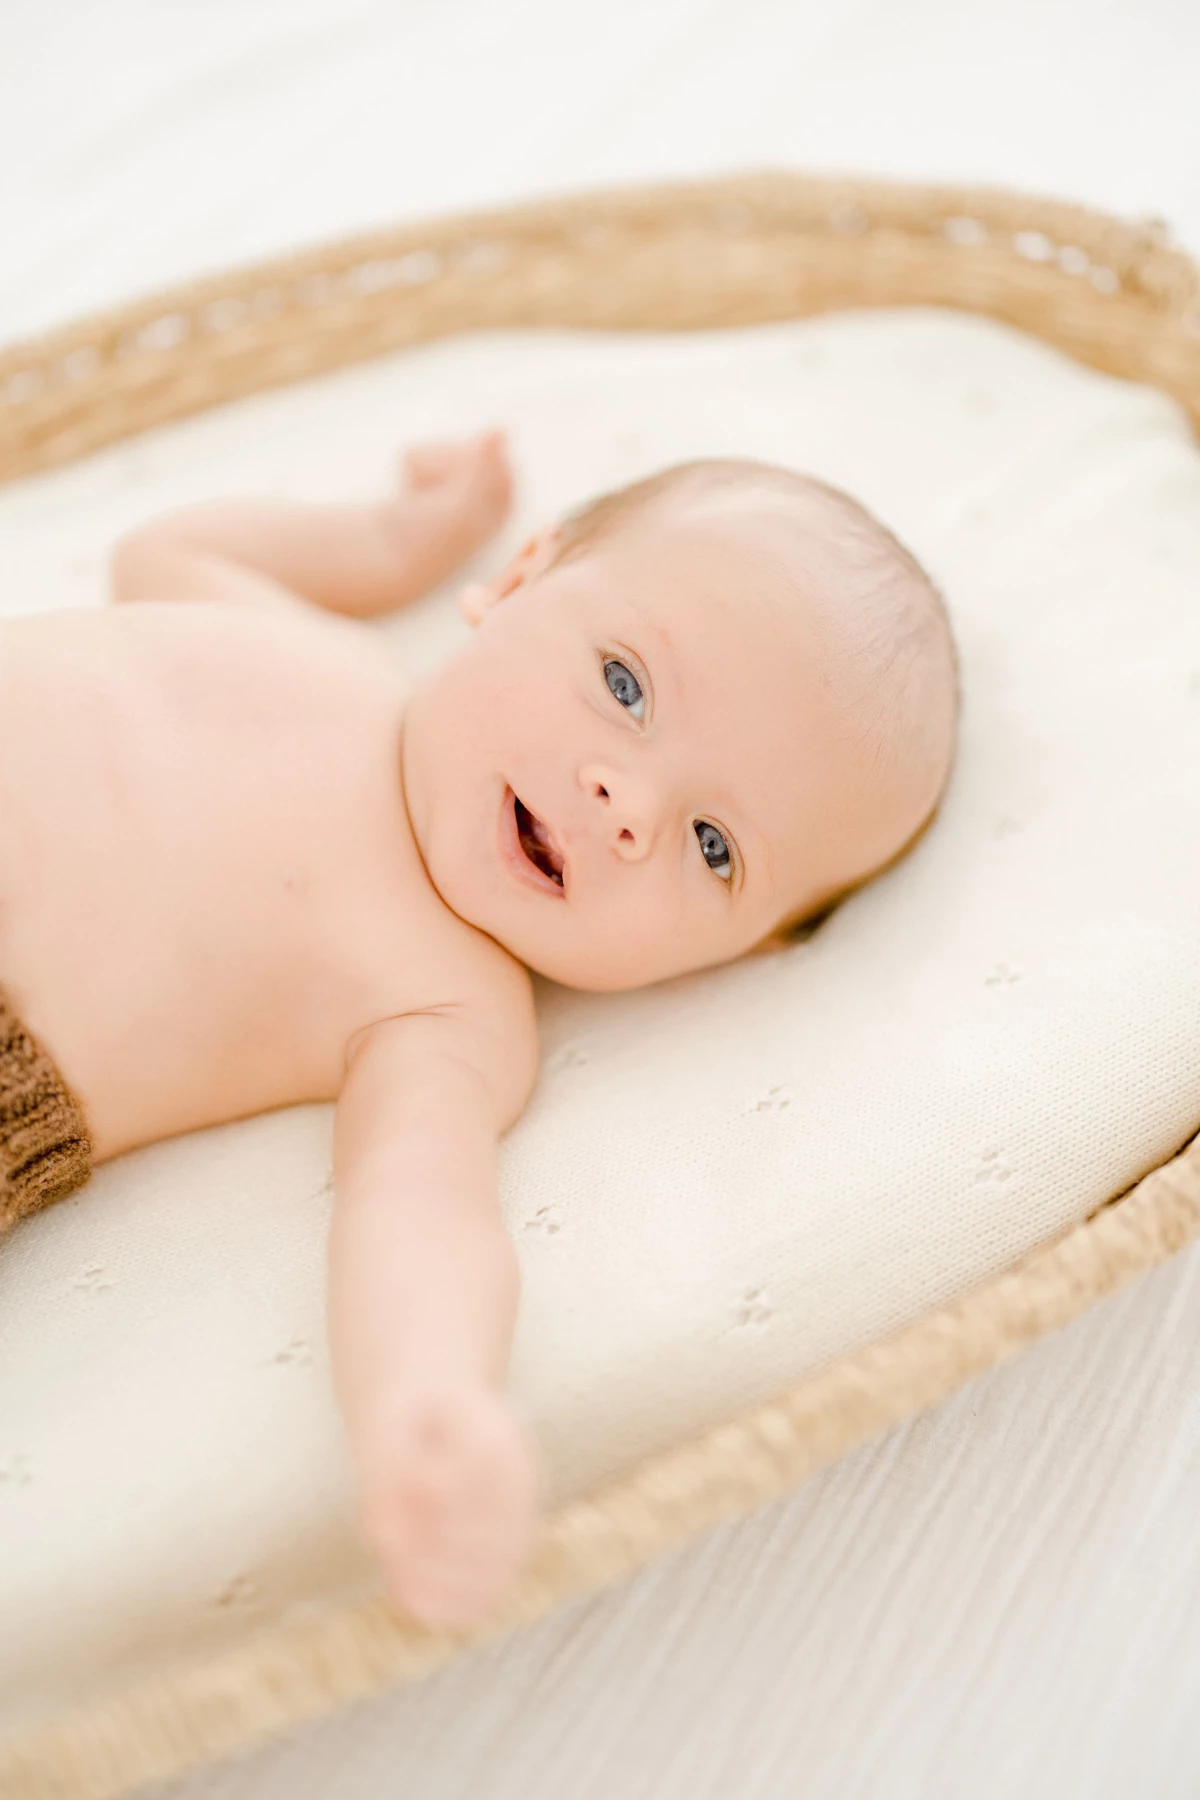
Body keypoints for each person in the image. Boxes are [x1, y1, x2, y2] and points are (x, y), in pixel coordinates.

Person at [0, 429, 958, 1631]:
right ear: (515, 581)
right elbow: (164, 545)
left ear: (737, 953)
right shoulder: (311, 645)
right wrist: (390, 538)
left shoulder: (451, 1006)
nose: (628, 804)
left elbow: (418, 1209)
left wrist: (431, 1397)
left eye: (714, 848)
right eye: (626, 686)